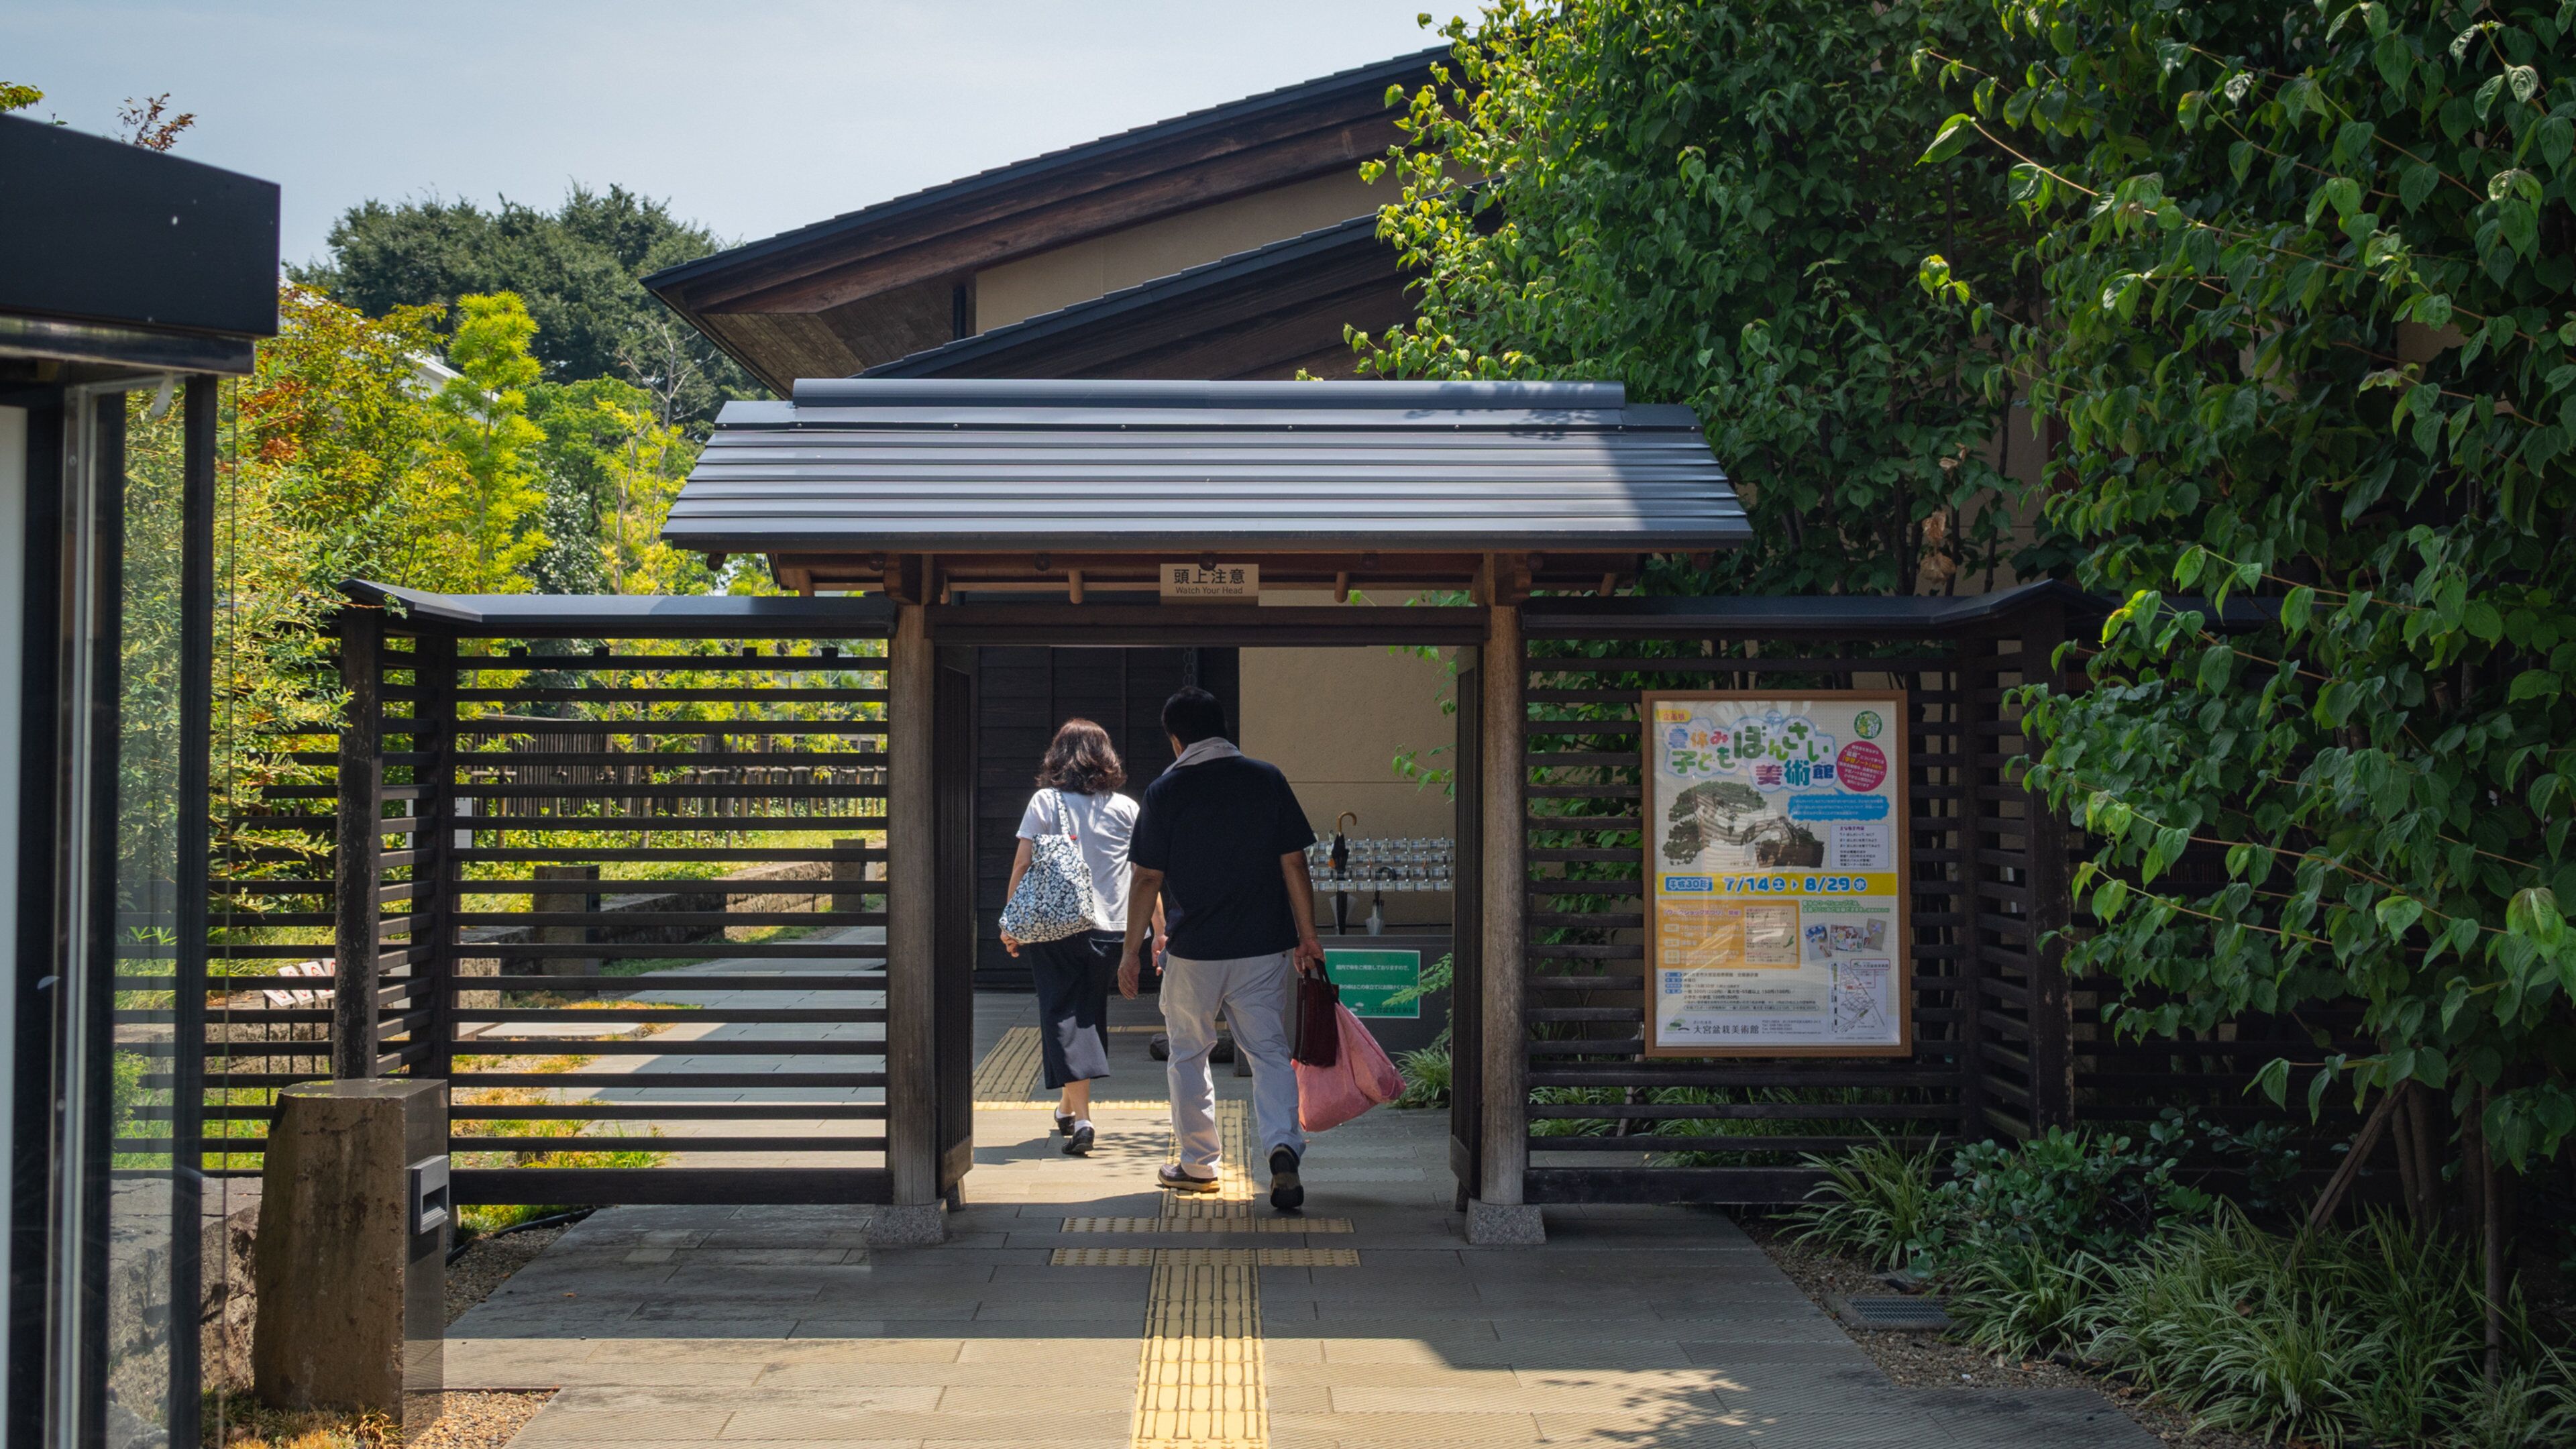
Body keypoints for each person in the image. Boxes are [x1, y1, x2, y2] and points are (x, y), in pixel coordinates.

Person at [1119, 686, 1325, 1212]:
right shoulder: (1267, 779)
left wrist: (1130, 952)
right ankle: (1282, 1149)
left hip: (1193, 951)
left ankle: (1197, 1165)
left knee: (1189, 1053)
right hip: (1262, 947)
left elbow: (1146, 878)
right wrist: (1309, 936)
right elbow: (1294, 863)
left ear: (1175, 738)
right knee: (1269, 1053)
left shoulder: (1166, 791)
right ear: (1223, 727)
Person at [1001, 718, 1156, 1157]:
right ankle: (1067, 1108)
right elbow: (1145, 875)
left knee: (1062, 1014)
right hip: (1112, 931)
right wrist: (1156, 932)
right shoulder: (1128, 809)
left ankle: (1085, 1120)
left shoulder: (1045, 802)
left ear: (1059, 756)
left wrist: (1011, 922)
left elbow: (1022, 867)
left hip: (1056, 928)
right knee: (1085, 1011)